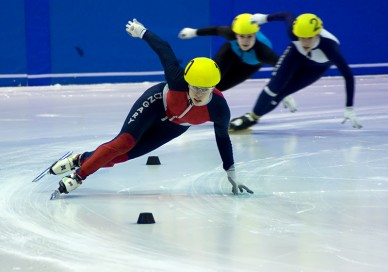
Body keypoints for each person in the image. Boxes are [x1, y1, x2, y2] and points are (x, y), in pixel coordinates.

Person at [48, 18, 253, 199]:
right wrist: (142, 32)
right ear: (187, 83)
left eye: (205, 90)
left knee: (120, 157)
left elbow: (223, 138)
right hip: (156, 104)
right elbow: (164, 49)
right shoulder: (177, 79)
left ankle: (79, 159)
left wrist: (230, 170)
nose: (199, 94)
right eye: (195, 88)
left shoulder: (219, 108)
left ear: (213, 87)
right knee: (124, 143)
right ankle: (78, 176)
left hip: (174, 127)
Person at [229, 12, 362, 131]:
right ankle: (251, 117)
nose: (304, 42)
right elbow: (287, 15)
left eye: (309, 38)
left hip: (317, 67)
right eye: (301, 37)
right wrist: (264, 18)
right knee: (273, 88)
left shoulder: (330, 47)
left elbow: (348, 76)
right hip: (295, 55)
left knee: (282, 93)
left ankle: (255, 116)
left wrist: (349, 107)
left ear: (317, 35)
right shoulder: (293, 32)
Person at [178, 13, 297, 112]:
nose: (245, 41)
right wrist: (193, 32)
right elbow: (215, 30)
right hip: (230, 52)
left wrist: (284, 93)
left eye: (249, 37)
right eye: (242, 36)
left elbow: (282, 69)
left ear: (255, 35)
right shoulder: (229, 33)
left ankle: (196, 106)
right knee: (211, 78)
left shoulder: (262, 51)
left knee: (219, 88)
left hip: (249, 66)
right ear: (235, 34)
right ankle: (185, 98)